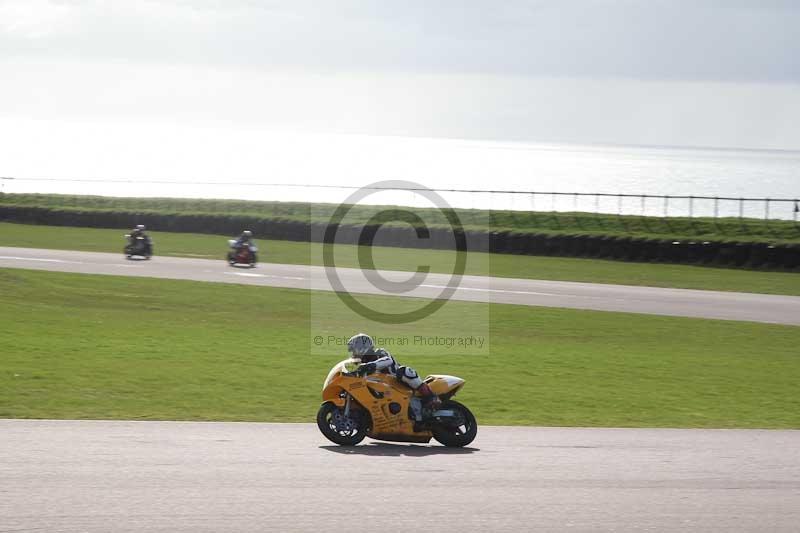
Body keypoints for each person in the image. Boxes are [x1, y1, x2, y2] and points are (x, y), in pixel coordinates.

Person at [347, 333, 441, 408]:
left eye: (354, 351)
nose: (353, 354)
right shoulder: (363, 366)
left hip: (399, 384)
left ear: (362, 348)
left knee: (404, 371)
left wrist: (371, 365)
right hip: (385, 393)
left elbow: (388, 360)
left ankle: (431, 397)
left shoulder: (379, 353)